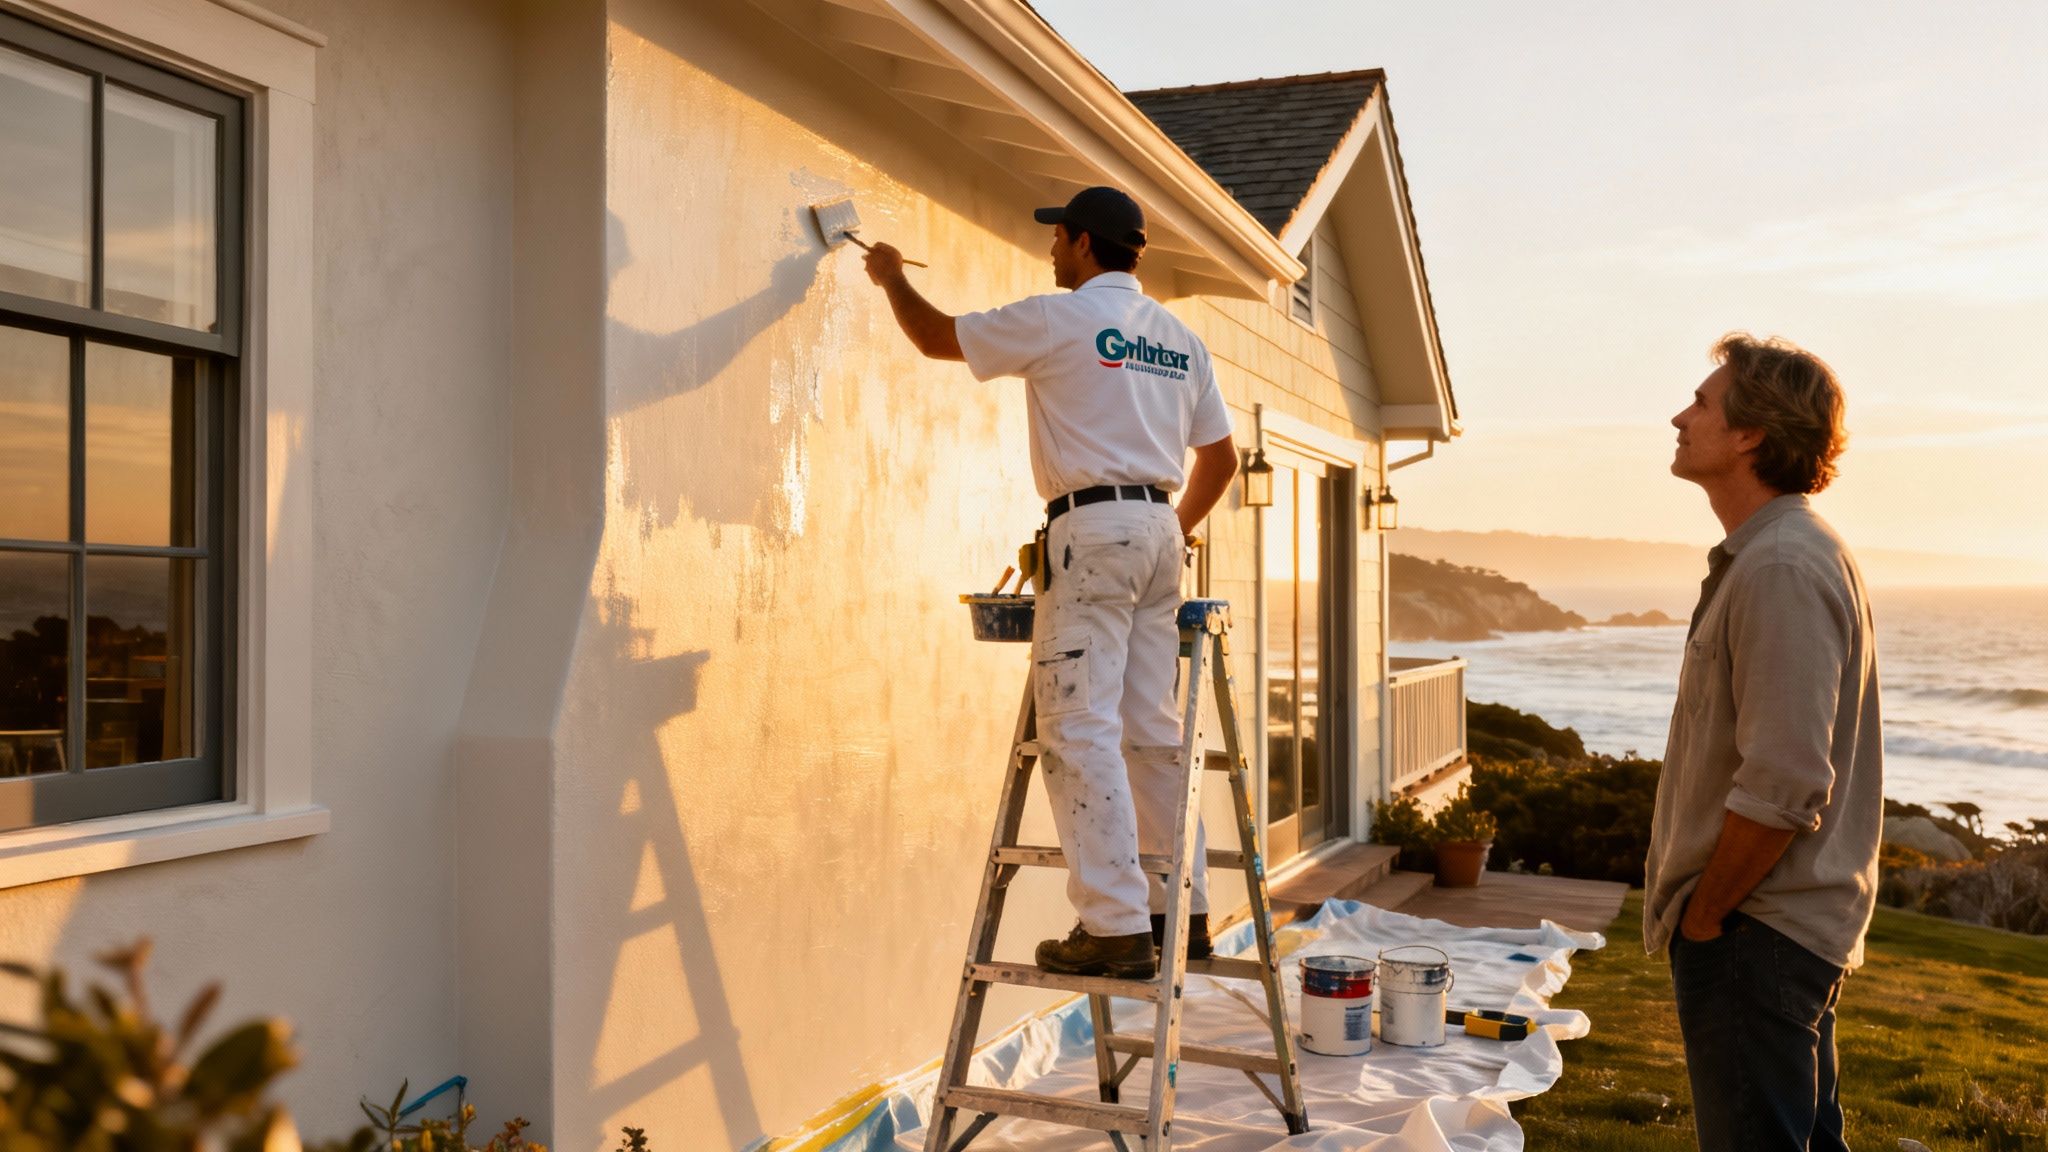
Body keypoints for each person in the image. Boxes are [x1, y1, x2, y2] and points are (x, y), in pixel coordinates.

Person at [862, 186, 1239, 978]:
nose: (1051, 251)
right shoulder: (1179, 339)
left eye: (1057, 237)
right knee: (1153, 728)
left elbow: (935, 338)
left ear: (1081, 242)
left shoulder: (1058, 318)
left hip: (1092, 526)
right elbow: (1222, 460)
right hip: (1160, 531)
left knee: (1078, 725)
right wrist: (1177, 527)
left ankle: (1112, 928)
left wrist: (891, 275)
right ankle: (1183, 914)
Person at [1646, 333, 1883, 1151]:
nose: (1681, 416)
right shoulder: (1776, 553)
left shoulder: (1780, 563)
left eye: (1704, 403)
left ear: (1751, 434)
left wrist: (1706, 917)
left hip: (1757, 933)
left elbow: (1785, 780)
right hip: (1772, 933)